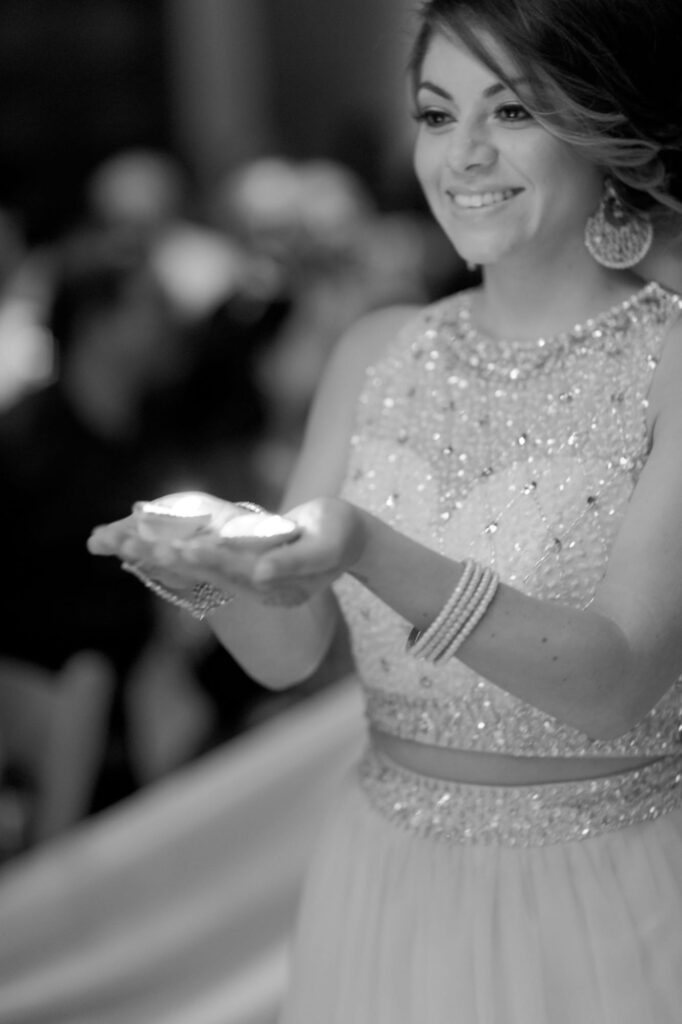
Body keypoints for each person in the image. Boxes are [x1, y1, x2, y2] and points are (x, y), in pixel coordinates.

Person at [88, 0, 682, 1019]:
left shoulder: (670, 363)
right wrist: (213, 566)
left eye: (511, 112)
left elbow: (614, 678)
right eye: (436, 114)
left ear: (598, 126)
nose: (464, 155)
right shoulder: (376, 352)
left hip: (604, 885)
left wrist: (366, 544)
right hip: (387, 871)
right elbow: (286, 651)